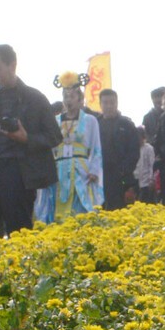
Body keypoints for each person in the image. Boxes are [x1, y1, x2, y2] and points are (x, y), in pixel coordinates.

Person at [0, 44, 62, 236]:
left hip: (20, 172)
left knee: (18, 229)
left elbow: (54, 136)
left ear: (12, 65)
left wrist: (26, 138)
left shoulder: (34, 98)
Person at [36, 77, 102, 222]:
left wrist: (94, 170)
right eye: (65, 96)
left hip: (81, 170)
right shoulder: (55, 121)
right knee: (57, 205)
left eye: (72, 96)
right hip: (59, 168)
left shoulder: (90, 120)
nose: (68, 100)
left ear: (80, 99)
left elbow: (96, 148)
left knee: (81, 206)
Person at [98, 89, 139, 210]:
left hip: (122, 177)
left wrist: (123, 170)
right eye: (105, 103)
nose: (109, 106)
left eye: (112, 102)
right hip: (100, 176)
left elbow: (134, 152)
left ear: (117, 103)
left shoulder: (126, 124)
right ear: (100, 104)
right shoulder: (95, 123)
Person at [134, 127, 156, 203]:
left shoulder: (149, 148)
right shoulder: (133, 149)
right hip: (135, 180)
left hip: (146, 182)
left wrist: (151, 179)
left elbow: (152, 165)